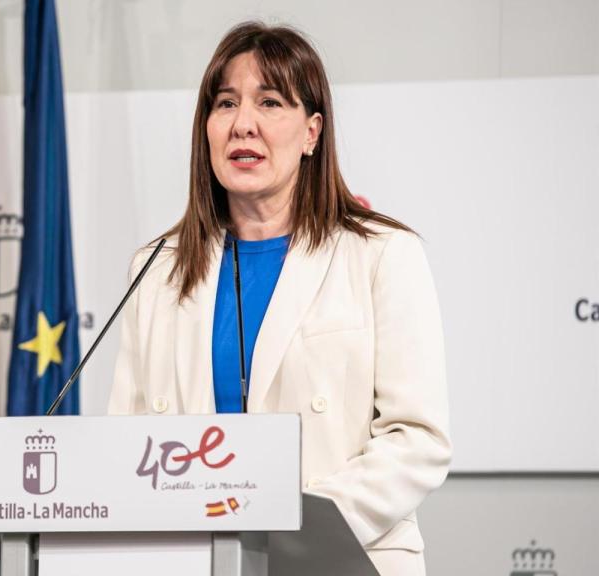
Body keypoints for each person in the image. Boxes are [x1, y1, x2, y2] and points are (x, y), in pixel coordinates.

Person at [108, 22, 451, 576]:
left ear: (312, 132)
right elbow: (125, 442)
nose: (244, 124)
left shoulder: (383, 254)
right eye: (226, 104)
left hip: (340, 557)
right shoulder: (157, 268)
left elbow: (417, 438)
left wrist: (293, 524)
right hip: (190, 561)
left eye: (269, 102)